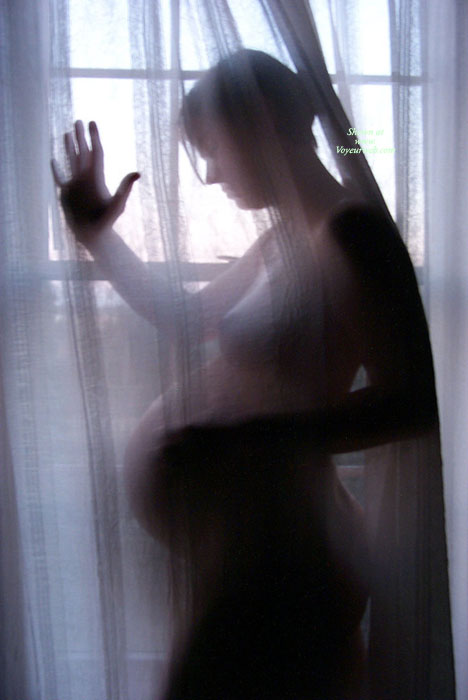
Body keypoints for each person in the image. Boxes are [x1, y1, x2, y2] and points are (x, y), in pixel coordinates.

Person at [52, 50, 438, 700]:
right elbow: (188, 318)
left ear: (260, 121)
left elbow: (415, 402)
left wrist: (250, 438)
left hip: (289, 561)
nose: (209, 175)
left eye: (212, 148)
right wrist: (98, 238)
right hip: (256, 553)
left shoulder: (354, 232)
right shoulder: (289, 236)